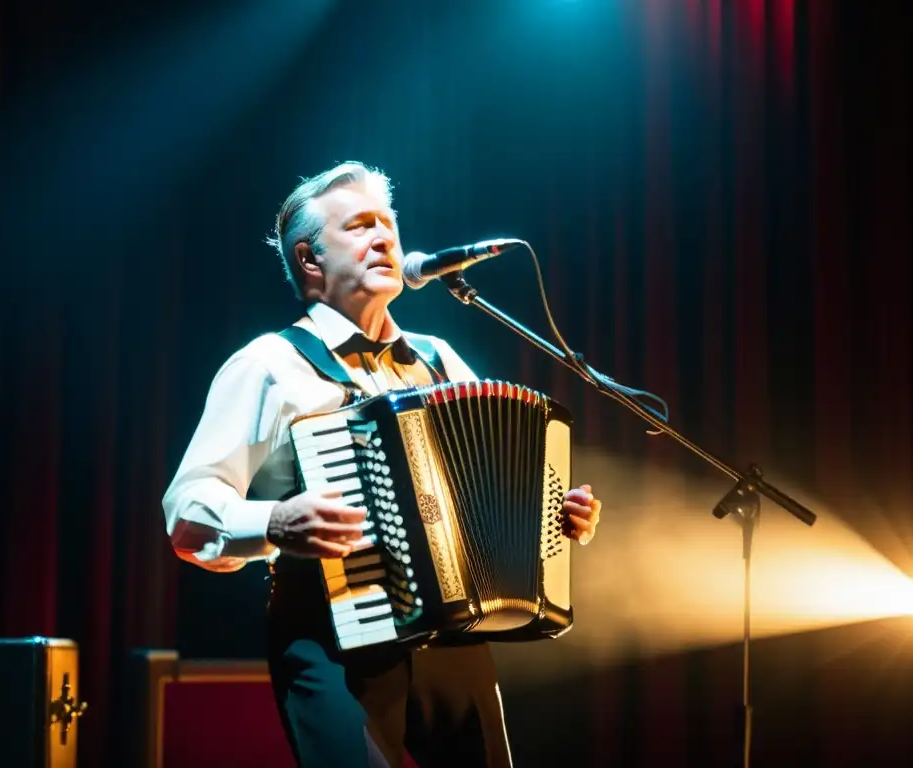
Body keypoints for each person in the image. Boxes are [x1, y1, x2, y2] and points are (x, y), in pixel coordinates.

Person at [162, 161, 602, 767]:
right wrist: (272, 523)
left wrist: (553, 516)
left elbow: (494, 484)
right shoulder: (268, 365)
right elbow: (186, 512)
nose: (383, 239)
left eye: (387, 225)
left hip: (453, 630)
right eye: (359, 226)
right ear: (310, 260)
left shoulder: (437, 357)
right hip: (332, 633)